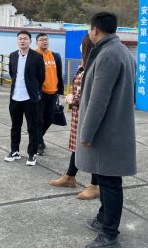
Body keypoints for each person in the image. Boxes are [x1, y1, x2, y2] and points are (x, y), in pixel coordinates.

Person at [76, 12, 137, 249]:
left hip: (107, 131)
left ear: (95, 29)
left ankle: (110, 234)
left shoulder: (108, 54)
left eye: (89, 29)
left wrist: (86, 133)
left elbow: (98, 100)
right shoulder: (121, 51)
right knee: (106, 178)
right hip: (115, 128)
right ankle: (103, 219)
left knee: (110, 183)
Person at [50, 34, 100, 200]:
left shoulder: (93, 67)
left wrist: (73, 98)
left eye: (81, 45)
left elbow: (93, 95)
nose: (79, 47)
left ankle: (95, 185)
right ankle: (70, 176)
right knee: (77, 146)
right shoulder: (85, 66)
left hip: (86, 114)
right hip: (79, 114)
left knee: (90, 147)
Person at [5, 30, 45, 167]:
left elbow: (41, 76)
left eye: (25, 38)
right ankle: (14, 151)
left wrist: (35, 90)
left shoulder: (37, 56)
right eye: (20, 38)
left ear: (30, 41)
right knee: (15, 126)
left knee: (32, 127)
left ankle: (32, 153)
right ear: (17, 41)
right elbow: (12, 73)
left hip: (30, 97)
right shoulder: (12, 56)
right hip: (15, 96)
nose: (22, 41)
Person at [35, 33, 64, 156]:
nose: (44, 41)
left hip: (53, 92)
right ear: (36, 42)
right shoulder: (34, 55)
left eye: (46, 39)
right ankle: (39, 143)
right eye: (41, 40)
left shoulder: (55, 56)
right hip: (39, 94)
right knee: (38, 120)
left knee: (50, 118)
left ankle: (37, 138)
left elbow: (59, 74)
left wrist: (59, 90)